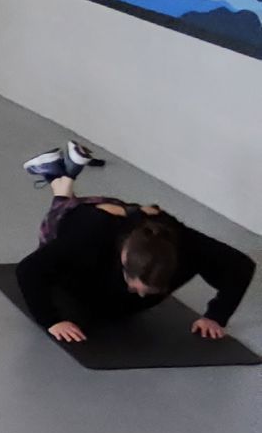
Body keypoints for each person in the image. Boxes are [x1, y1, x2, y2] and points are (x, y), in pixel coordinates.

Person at [18, 140, 254, 343]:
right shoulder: (89, 237)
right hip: (82, 217)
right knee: (61, 212)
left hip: (136, 217)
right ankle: (59, 181)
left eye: (148, 291)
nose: (139, 295)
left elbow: (241, 266)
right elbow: (28, 270)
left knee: (128, 223)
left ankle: (63, 176)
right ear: (123, 258)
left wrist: (216, 316)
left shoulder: (183, 242)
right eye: (134, 287)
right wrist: (52, 321)